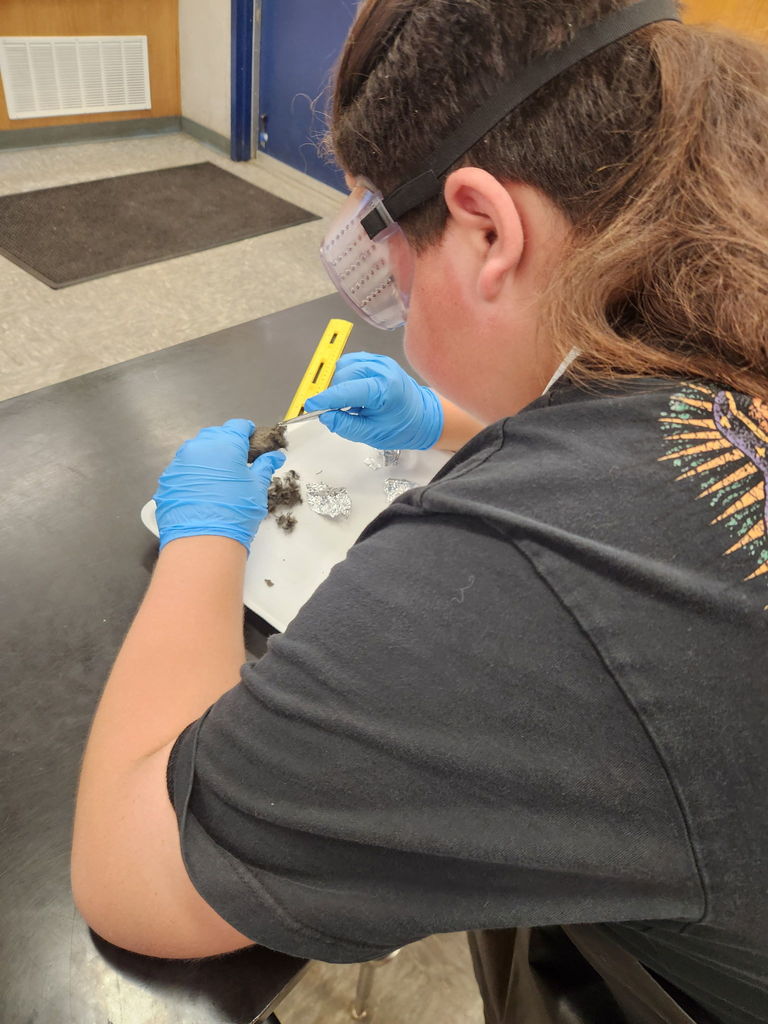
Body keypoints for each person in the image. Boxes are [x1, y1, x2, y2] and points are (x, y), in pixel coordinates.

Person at [71, 1, 768, 1021]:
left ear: (487, 228)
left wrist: (202, 535)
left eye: (392, 266)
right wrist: (449, 417)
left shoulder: (542, 578)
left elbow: (133, 873)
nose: (393, 313)